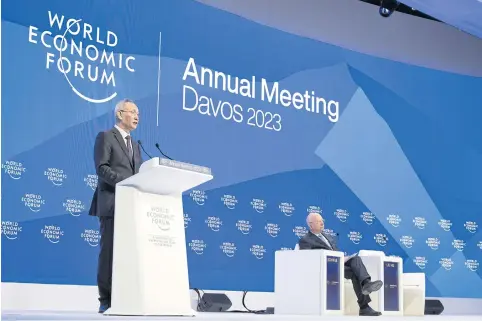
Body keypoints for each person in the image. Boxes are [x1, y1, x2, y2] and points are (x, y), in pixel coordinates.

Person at [88, 99, 143, 313]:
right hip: (111, 202)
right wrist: (125, 183)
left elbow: (138, 174)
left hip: (131, 205)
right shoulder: (105, 137)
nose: (137, 116)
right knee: (109, 252)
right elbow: (101, 168)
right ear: (120, 114)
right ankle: (105, 299)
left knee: (129, 254)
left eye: (138, 112)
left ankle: (126, 296)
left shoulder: (136, 145)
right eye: (133, 112)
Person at [298, 212, 383, 316]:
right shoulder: (305, 240)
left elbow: (336, 252)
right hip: (326, 267)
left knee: (356, 260)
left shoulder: (328, 236)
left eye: (322, 221)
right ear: (311, 225)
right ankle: (364, 307)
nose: (322, 223)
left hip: (338, 263)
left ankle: (366, 283)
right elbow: (309, 259)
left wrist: (343, 258)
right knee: (355, 273)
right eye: (319, 222)